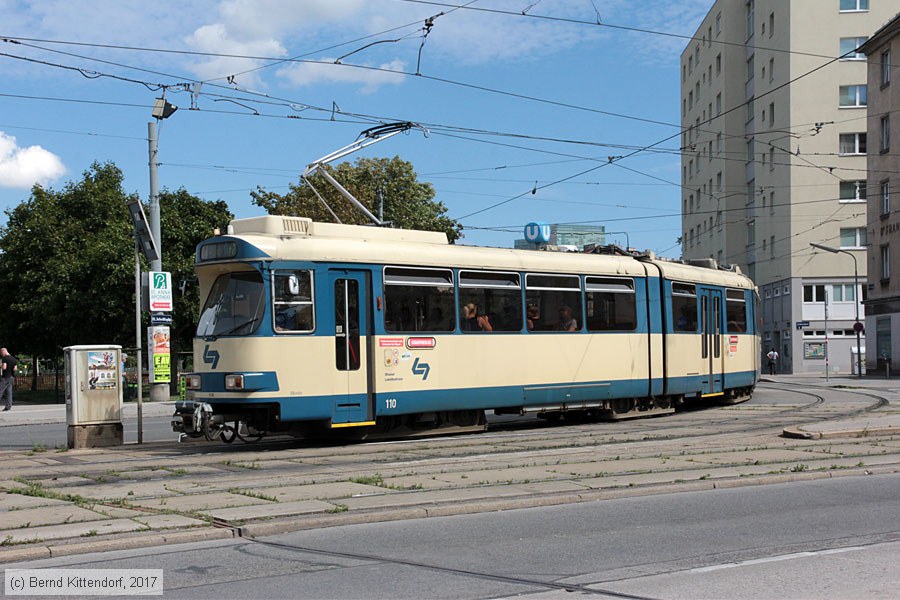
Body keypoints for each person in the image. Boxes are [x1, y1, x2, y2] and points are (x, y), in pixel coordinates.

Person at [0, 347, 18, 411]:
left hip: (5, 377)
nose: (1, 354)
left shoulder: (4, 358)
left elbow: (4, 367)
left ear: (3, 351)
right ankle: (8, 406)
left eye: (1, 353)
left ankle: (8, 406)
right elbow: (15, 369)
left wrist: (1, 366)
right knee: (9, 392)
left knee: (0, 391)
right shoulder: (14, 359)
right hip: (11, 377)